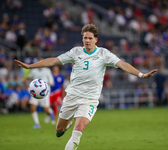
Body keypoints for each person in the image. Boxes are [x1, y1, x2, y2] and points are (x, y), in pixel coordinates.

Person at [15, 23, 157, 150]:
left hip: (90, 98)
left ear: (96, 39)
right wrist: (30, 66)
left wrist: (141, 75)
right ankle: (67, 124)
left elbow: (122, 64)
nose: (87, 41)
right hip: (72, 96)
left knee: (79, 129)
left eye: (90, 38)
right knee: (59, 131)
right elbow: (54, 60)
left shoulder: (103, 53)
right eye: (85, 38)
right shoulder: (76, 52)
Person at [24, 57, 55, 128]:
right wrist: (24, 79)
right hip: (34, 92)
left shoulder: (47, 70)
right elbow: (30, 77)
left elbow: (51, 81)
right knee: (32, 106)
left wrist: (42, 85)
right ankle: (37, 124)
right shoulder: (34, 70)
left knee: (46, 108)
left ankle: (51, 113)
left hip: (44, 93)